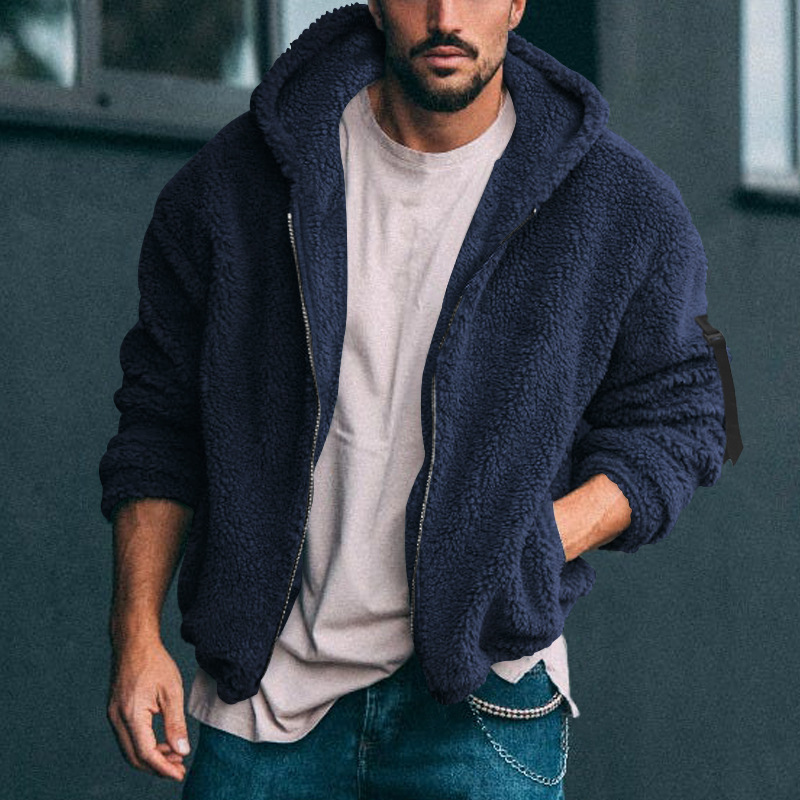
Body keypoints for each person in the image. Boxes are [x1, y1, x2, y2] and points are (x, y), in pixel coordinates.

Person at [100, 1, 740, 797]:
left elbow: (689, 417)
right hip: (263, 708)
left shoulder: (621, 204)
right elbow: (160, 419)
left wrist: (534, 542)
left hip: (484, 705)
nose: (444, 16)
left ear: (517, 3)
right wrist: (135, 633)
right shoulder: (239, 185)